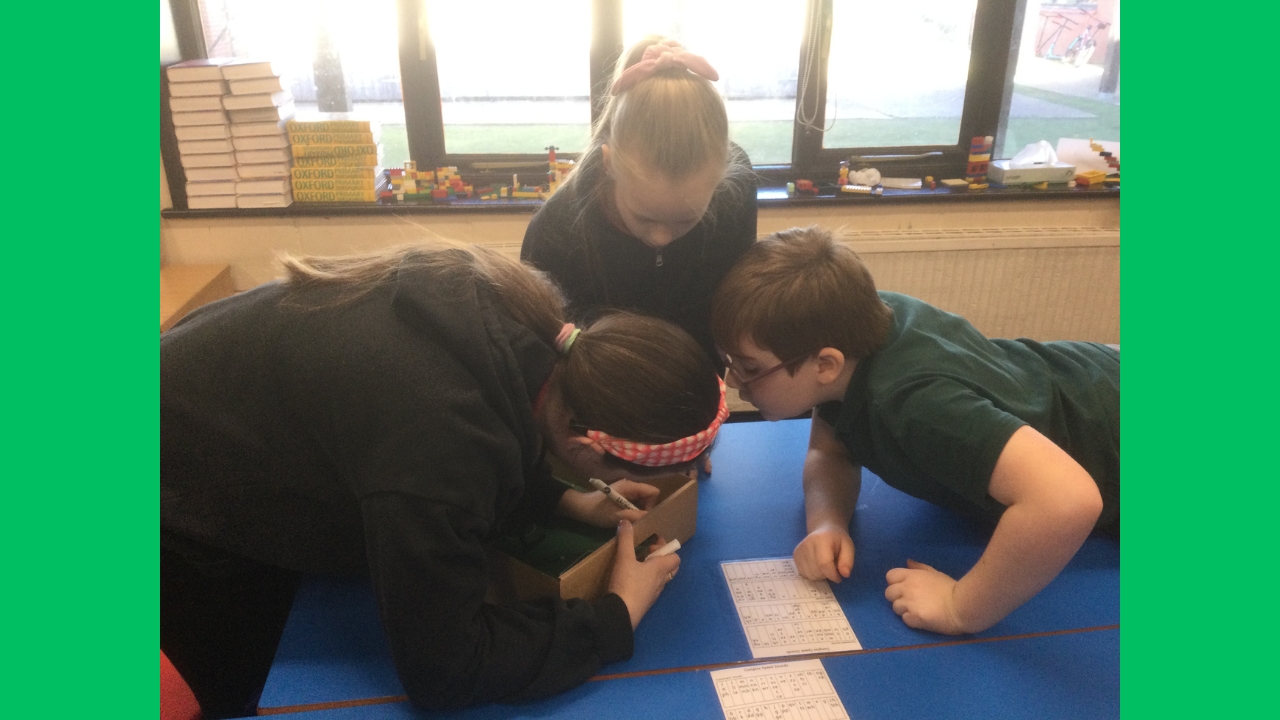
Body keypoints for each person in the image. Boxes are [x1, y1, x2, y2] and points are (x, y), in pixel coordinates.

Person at [161, 242, 728, 717]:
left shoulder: (530, 328)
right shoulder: (436, 436)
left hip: (210, 398)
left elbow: (500, 423)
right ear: (586, 443)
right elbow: (446, 670)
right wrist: (614, 615)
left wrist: (567, 502)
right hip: (174, 495)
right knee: (239, 687)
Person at [710, 227, 1119, 636]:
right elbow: (830, 453)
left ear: (824, 365)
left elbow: (1068, 501)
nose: (731, 381)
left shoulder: (915, 403)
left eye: (749, 367)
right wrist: (828, 522)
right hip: (1084, 379)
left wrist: (960, 609)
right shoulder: (848, 334)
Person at [521, 36, 758, 366]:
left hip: (696, 376)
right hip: (598, 387)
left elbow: (732, 298)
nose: (661, 237)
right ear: (609, 164)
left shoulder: (736, 195)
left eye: (687, 220)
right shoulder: (556, 232)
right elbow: (540, 343)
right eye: (644, 218)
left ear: (720, 179)